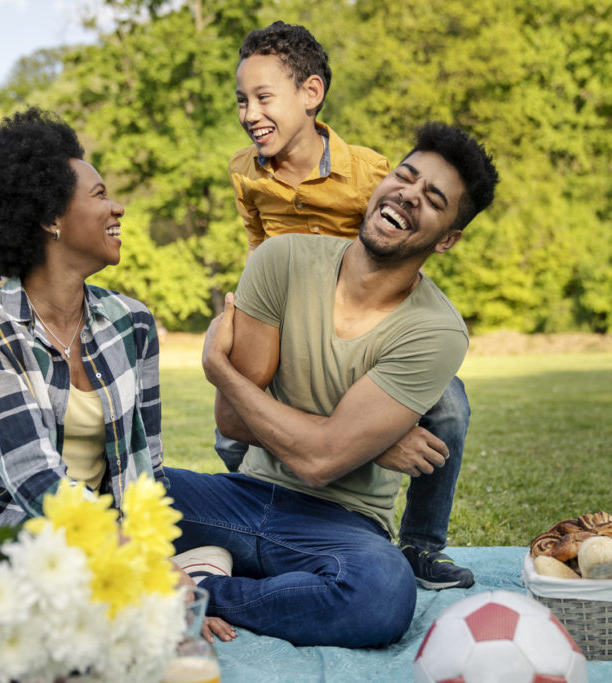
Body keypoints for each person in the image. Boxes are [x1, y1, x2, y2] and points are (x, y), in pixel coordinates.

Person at [0, 108, 236, 642]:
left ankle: (181, 579)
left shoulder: (132, 323)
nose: (118, 207)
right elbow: (36, 481)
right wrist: (149, 576)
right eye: (99, 195)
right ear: (51, 219)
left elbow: (145, 473)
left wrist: (160, 577)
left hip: (83, 545)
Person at [167, 121, 499, 647]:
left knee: (383, 593)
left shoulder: (436, 330)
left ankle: (197, 588)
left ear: (448, 239)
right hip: (243, 495)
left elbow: (318, 463)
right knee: (101, 497)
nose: (408, 195)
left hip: (341, 526)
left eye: (433, 199)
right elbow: (231, 421)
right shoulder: (282, 260)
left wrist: (222, 372)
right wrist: (360, 442)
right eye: (405, 176)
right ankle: (255, 584)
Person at [222, 19, 474, 589]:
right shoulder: (245, 171)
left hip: (358, 312)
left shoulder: (370, 171)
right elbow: (257, 240)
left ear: (311, 94)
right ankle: (264, 519)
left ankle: (421, 544)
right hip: (287, 311)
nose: (249, 112)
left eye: (264, 97)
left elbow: (398, 245)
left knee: (451, 412)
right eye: (242, 99)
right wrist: (249, 314)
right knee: (232, 422)